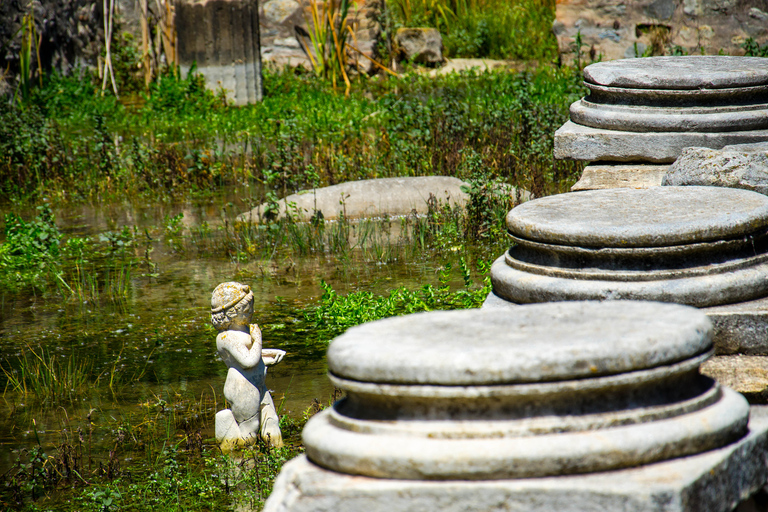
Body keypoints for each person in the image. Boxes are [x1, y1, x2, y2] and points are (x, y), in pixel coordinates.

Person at [211, 282, 284, 448]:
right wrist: (258, 338)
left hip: (258, 384)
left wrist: (266, 359)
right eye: (246, 309)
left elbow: (253, 358)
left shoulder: (243, 331)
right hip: (242, 388)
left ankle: (277, 459)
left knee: (271, 421)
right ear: (230, 313)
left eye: (251, 307)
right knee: (249, 431)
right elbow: (248, 361)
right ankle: (240, 461)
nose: (251, 312)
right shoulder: (226, 337)